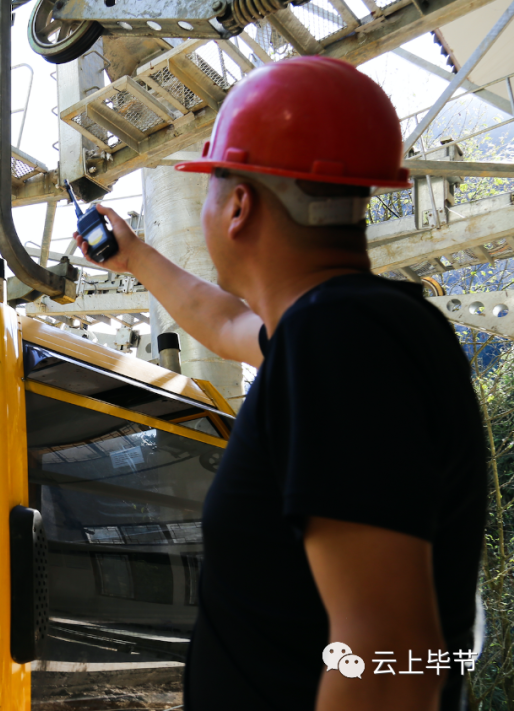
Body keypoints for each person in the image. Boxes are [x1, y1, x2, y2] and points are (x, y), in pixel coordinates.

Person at [73, 56, 486, 711]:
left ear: (238, 205)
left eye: (212, 183)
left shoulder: (341, 340)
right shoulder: (339, 329)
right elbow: (226, 321)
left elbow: (392, 657)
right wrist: (135, 256)